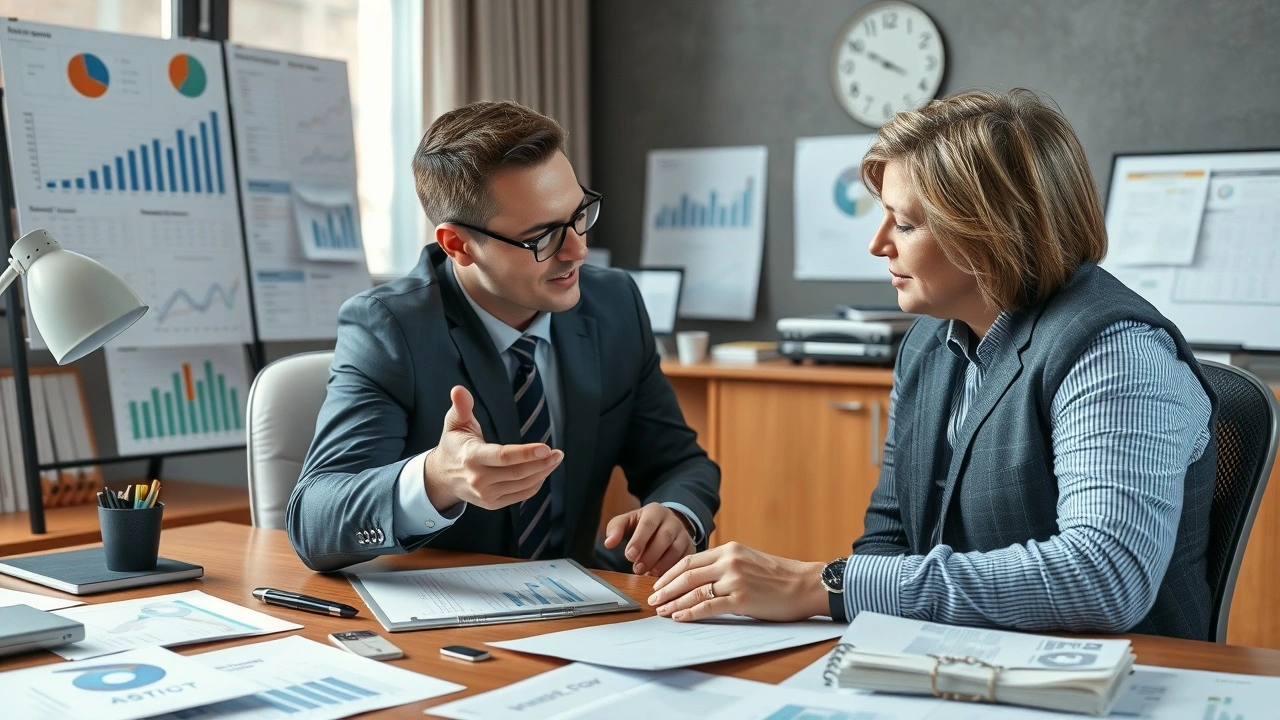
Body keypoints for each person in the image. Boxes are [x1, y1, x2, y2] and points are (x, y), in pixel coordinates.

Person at [648, 88, 1218, 640]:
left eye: (904, 223)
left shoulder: (1114, 352)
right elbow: (891, 541)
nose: (877, 245)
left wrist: (820, 586)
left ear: (990, 231)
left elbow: (1104, 576)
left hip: (1124, 682)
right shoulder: (928, 344)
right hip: (964, 661)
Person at [287, 100, 720, 574]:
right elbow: (312, 524)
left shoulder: (614, 304)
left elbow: (678, 463)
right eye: (542, 237)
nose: (578, 249)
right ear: (458, 245)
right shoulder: (389, 329)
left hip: (581, 607)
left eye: (579, 215)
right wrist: (435, 479)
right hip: (445, 621)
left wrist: (677, 515)